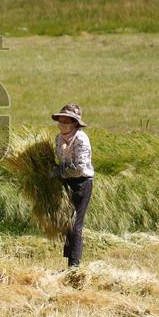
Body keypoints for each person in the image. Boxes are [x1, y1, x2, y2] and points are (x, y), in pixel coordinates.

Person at [51, 103, 94, 268]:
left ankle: (75, 267)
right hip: (67, 182)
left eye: (66, 120)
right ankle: (69, 262)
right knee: (67, 223)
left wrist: (60, 172)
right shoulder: (58, 138)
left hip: (82, 183)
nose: (62, 123)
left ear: (75, 123)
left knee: (76, 224)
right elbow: (61, 160)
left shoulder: (81, 139)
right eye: (60, 120)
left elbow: (81, 167)